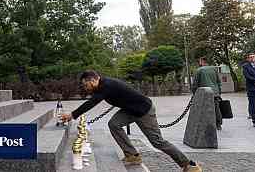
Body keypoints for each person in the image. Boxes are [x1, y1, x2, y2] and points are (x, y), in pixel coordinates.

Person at [60, 70, 202, 172]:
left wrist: (72, 115)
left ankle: (189, 165)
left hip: (144, 111)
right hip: (130, 110)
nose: (86, 88)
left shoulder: (106, 86)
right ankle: (132, 155)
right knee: (114, 124)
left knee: (157, 142)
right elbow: (94, 99)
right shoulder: (102, 86)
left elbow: (91, 103)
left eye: (86, 85)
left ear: (93, 80)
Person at [192, 57, 222, 130]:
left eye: (199, 61)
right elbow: (218, 81)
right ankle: (218, 124)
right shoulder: (214, 69)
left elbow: (195, 83)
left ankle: (207, 124)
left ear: (202, 61)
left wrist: (194, 93)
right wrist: (219, 92)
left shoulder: (199, 70)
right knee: (216, 109)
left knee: (204, 109)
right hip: (215, 92)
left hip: (204, 93)